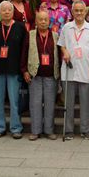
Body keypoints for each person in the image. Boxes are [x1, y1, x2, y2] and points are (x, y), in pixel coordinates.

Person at [59, 1, 89, 140]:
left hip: (86, 68)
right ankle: (68, 130)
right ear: (72, 12)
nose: (79, 13)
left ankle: (85, 130)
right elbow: (61, 44)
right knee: (68, 103)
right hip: (69, 69)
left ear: (85, 11)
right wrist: (65, 52)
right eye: (76, 10)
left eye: (81, 10)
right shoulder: (66, 27)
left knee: (85, 102)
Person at [0, 1, 28, 139]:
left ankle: (16, 128)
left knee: (14, 100)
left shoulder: (20, 27)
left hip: (14, 70)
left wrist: (24, 69)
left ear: (13, 12)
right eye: (3, 10)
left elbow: (25, 49)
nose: (6, 12)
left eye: (9, 10)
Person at [21, 11, 59, 141]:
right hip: (34, 74)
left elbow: (59, 55)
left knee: (50, 104)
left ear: (49, 21)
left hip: (51, 75)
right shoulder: (30, 35)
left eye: (45, 20)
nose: (43, 22)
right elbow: (24, 53)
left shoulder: (55, 35)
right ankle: (35, 131)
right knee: (35, 103)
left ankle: (49, 130)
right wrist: (24, 71)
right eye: (40, 19)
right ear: (36, 22)